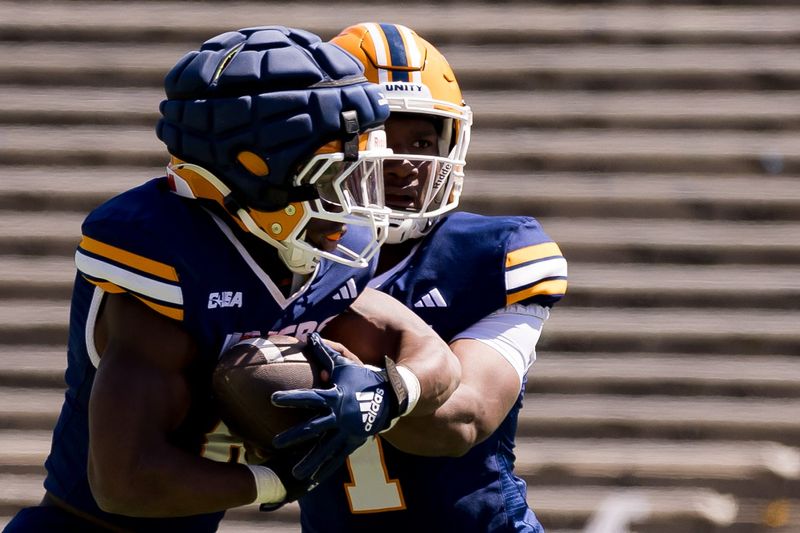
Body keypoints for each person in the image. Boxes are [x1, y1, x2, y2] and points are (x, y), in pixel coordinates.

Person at [3, 26, 460, 533]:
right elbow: (123, 482)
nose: (352, 202)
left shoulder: (320, 255)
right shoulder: (171, 262)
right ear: (255, 171)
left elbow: (430, 352)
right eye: (333, 178)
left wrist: (390, 393)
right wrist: (279, 480)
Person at [293, 23, 568, 533]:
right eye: (381, 140)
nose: (406, 164)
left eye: (422, 139)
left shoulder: (492, 256)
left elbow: (463, 420)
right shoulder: (280, 255)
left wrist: (379, 396)